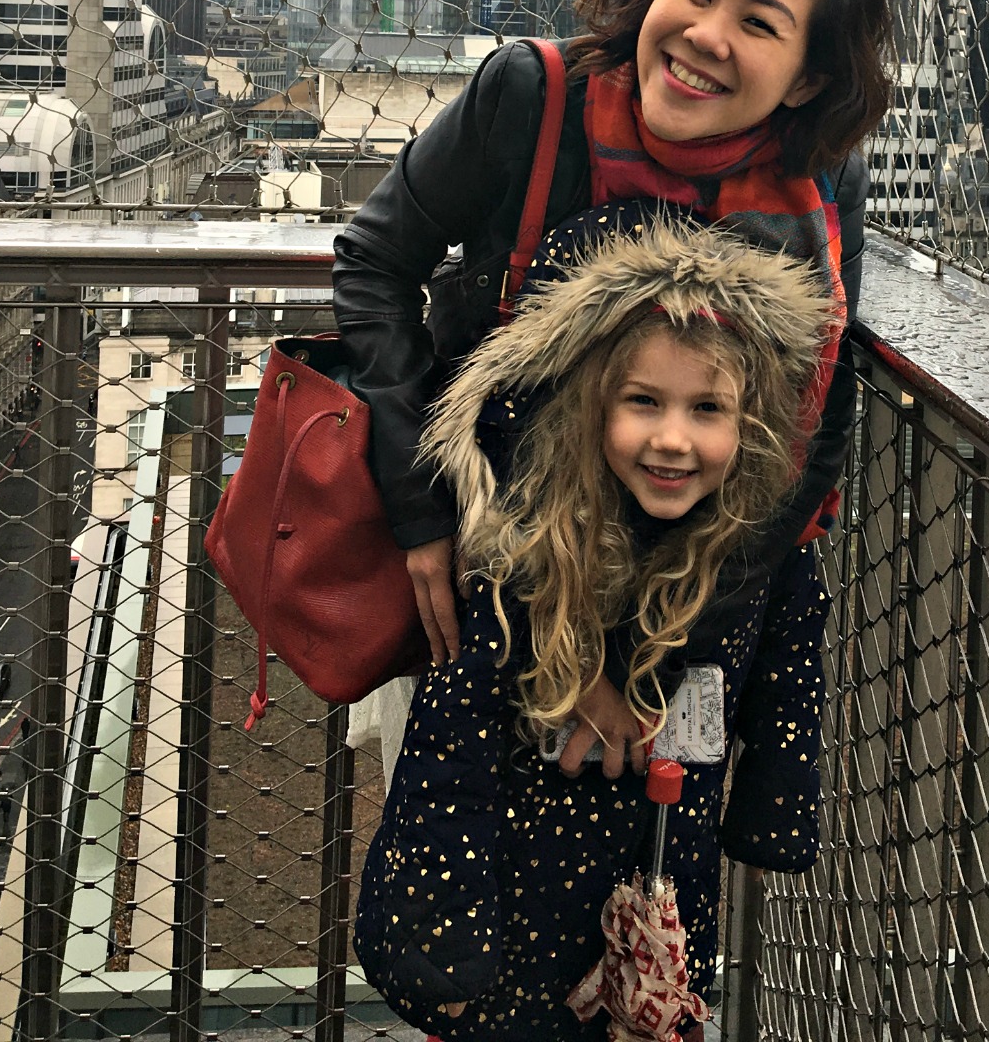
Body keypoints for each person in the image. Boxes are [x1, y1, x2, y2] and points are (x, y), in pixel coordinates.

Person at [334, 0, 890, 764]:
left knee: (647, 885)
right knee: (460, 861)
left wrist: (656, 649)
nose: (707, 36)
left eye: (759, 23)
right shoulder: (533, 99)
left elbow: (810, 431)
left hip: (685, 610)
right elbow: (374, 262)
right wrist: (424, 513)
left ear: (807, 80)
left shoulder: (820, 184)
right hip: (492, 561)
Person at [354, 218, 833, 1041]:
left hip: (664, 900)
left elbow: (791, 661)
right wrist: (446, 956)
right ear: (590, 407)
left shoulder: (757, 550)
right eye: (643, 401)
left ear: (750, 423)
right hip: (516, 929)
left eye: (707, 408)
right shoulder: (528, 554)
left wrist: (774, 811)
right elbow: (449, 751)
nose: (673, 439)